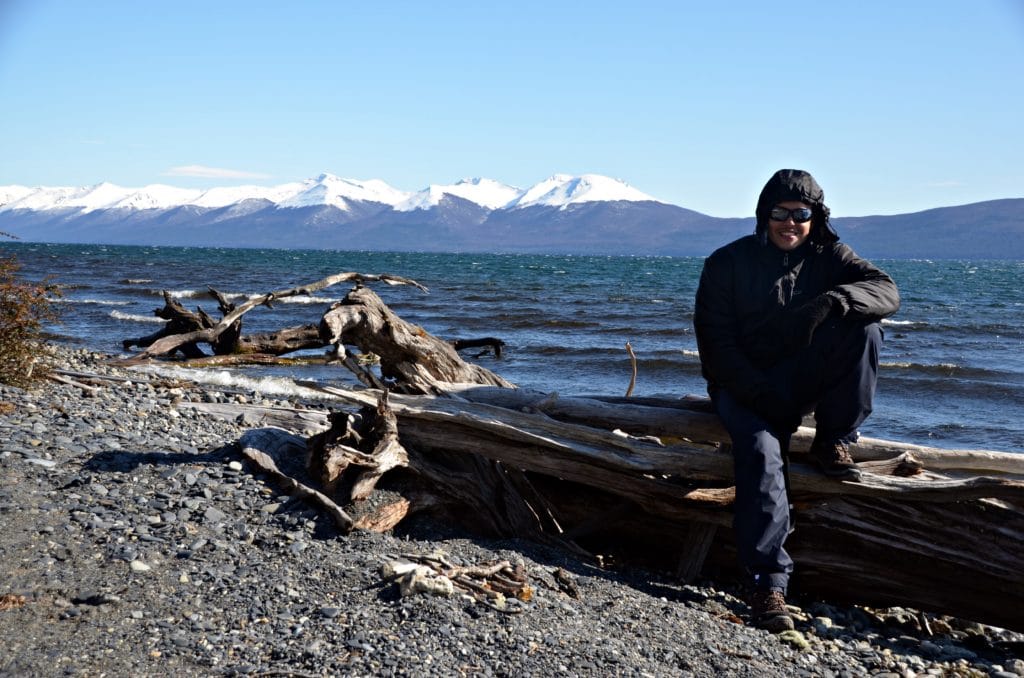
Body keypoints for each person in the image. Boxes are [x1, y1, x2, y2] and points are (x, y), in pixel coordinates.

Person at [693, 169, 900, 632]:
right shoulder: (727, 263)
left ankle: (834, 439)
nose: (790, 223)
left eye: (801, 214)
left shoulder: (833, 257)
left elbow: (886, 291)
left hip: (799, 380)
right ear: (764, 215)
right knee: (763, 456)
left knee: (866, 329)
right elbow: (716, 346)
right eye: (780, 213)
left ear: (816, 217)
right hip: (743, 387)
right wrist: (759, 395)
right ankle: (769, 586)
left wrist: (834, 301)